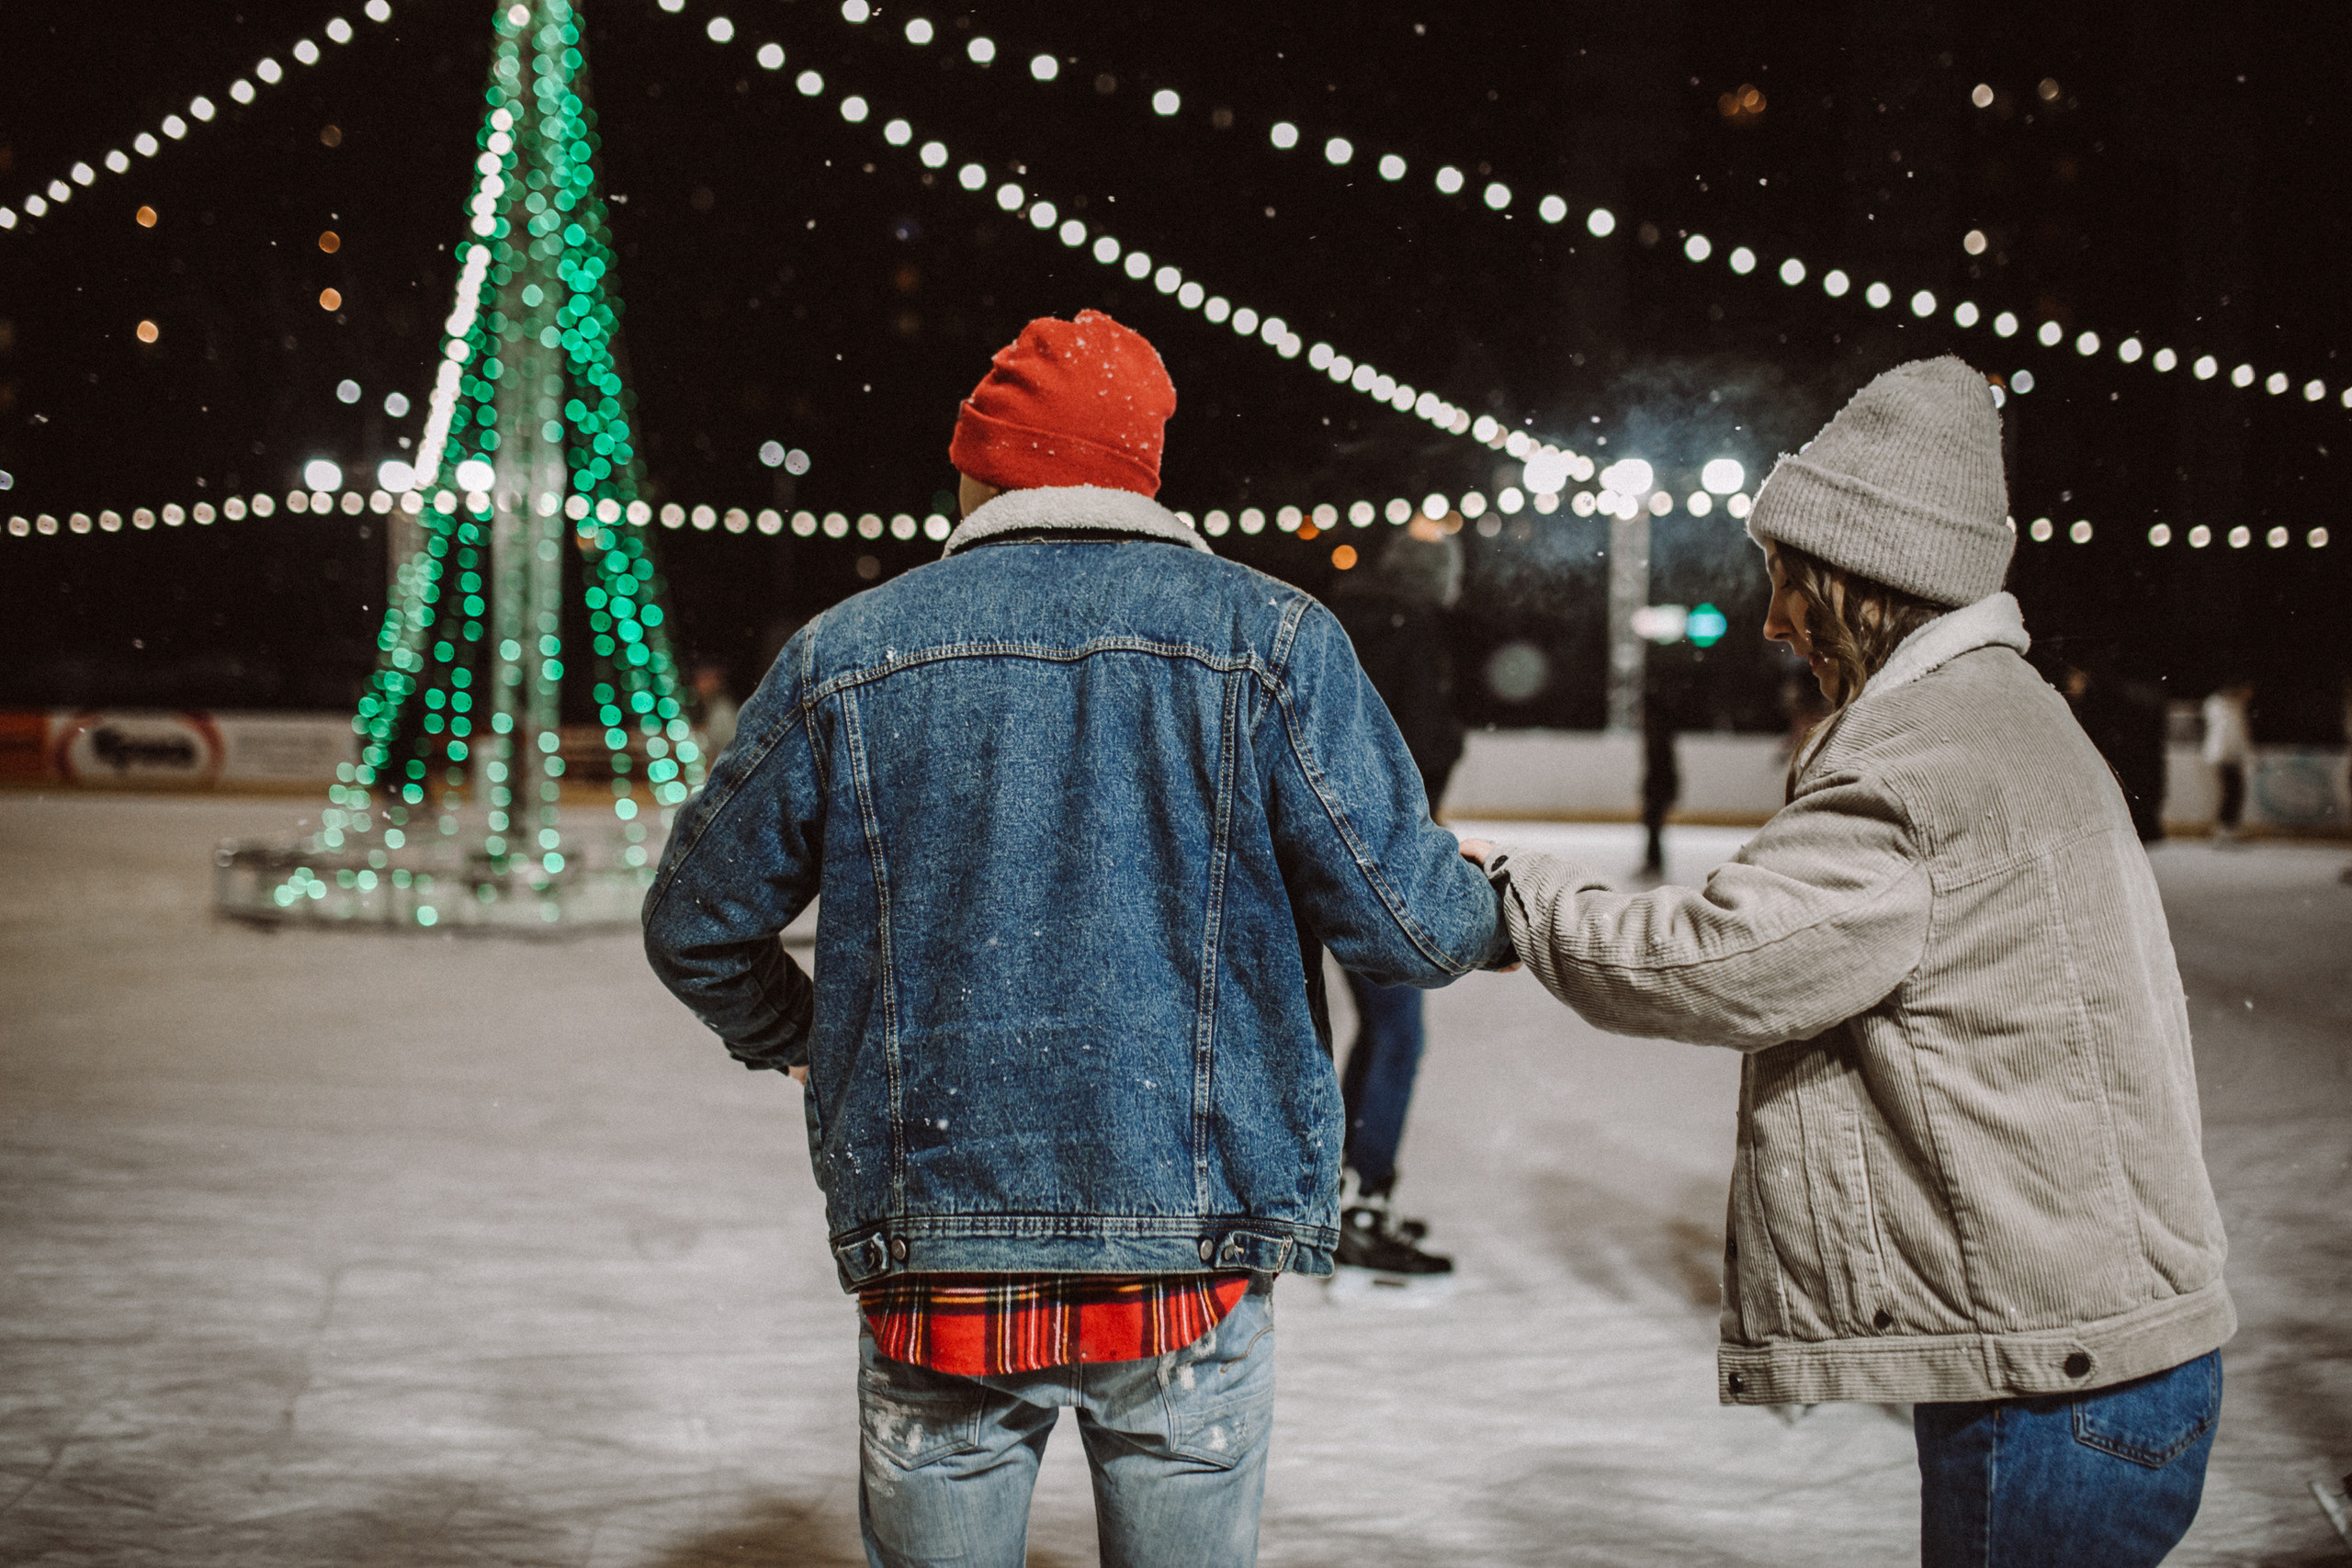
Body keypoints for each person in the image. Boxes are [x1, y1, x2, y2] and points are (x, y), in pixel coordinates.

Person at [642, 310, 1509, 1568]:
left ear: (978, 470)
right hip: (1190, 1241)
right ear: (1141, 471)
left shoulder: (848, 652)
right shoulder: (1268, 640)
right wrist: (1509, 907)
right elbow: (1410, 927)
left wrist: (810, 1035)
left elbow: (696, 923)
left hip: (938, 1238)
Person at [1463, 357, 2233, 1568]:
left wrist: (1518, 901)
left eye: (1787, 580)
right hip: (2100, 1343)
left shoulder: (1920, 759)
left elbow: (1718, 959)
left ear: (1864, 580)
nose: (1772, 621)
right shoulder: (2007, 709)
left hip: (2054, 1379)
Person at [1325, 513, 1468, 1277]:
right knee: (1398, 1030)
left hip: (1315, 847)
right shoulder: (1409, 632)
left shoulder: (1342, 624)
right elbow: (1422, 741)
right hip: (1375, 855)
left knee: (1374, 1028)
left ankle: (1339, 1189)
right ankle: (1358, 1199)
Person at [2201, 677, 2253, 845]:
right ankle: (2224, 832)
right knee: (2231, 794)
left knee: (2234, 793)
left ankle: (2227, 830)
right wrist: (2230, 755)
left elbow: (2238, 736)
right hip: (2223, 756)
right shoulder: (2220, 706)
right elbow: (2226, 735)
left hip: (2229, 756)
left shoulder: (2232, 708)